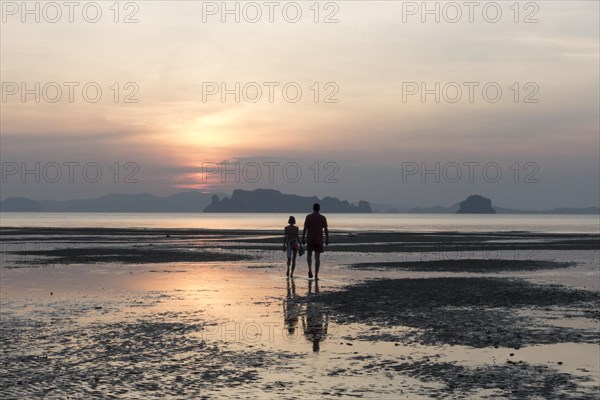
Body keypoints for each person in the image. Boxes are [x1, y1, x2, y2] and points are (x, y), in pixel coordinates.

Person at [302, 203, 329, 280]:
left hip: (310, 239)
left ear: (313, 208)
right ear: (319, 209)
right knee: (317, 258)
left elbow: (305, 229)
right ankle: (316, 275)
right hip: (318, 240)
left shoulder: (308, 217)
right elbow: (326, 229)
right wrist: (327, 238)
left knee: (309, 255)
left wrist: (303, 238)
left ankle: (310, 270)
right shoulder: (323, 218)